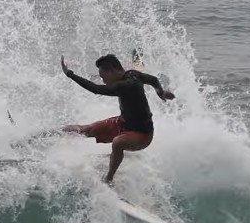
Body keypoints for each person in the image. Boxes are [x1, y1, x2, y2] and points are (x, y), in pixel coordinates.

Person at [59, 54, 175, 184]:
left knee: (118, 142)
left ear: (112, 70)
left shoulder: (127, 85)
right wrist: (161, 93)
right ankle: (51, 134)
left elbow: (96, 89)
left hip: (142, 135)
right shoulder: (133, 74)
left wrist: (70, 74)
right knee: (85, 129)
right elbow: (153, 80)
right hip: (122, 124)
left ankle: (109, 178)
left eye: (103, 77)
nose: (103, 80)